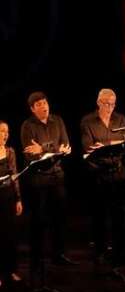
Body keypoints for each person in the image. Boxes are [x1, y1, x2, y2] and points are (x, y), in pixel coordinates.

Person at [20, 91, 77, 278]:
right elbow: (31, 154)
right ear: (32, 109)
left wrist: (44, 148)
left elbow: (66, 146)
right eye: (38, 105)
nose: (44, 106)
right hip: (38, 179)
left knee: (59, 218)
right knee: (38, 220)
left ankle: (58, 254)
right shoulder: (27, 126)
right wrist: (52, 148)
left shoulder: (57, 121)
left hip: (57, 176)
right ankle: (37, 261)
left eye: (45, 102)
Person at [81, 88, 125, 267]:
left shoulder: (121, 119)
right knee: (99, 216)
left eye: (112, 104)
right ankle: (100, 251)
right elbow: (88, 149)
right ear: (98, 103)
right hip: (98, 175)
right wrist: (111, 147)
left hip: (118, 173)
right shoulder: (87, 121)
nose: (109, 107)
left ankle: (119, 251)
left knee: (119, 215)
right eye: (106, 103)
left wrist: (106, 146)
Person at [0, 121, 23, 288]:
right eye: (1, 131)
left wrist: (18, 199)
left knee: (10, 235)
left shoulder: (10, 151)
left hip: (8, 197)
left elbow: (14, 175)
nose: (5, 134)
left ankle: (11, 270)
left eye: (6, 131)